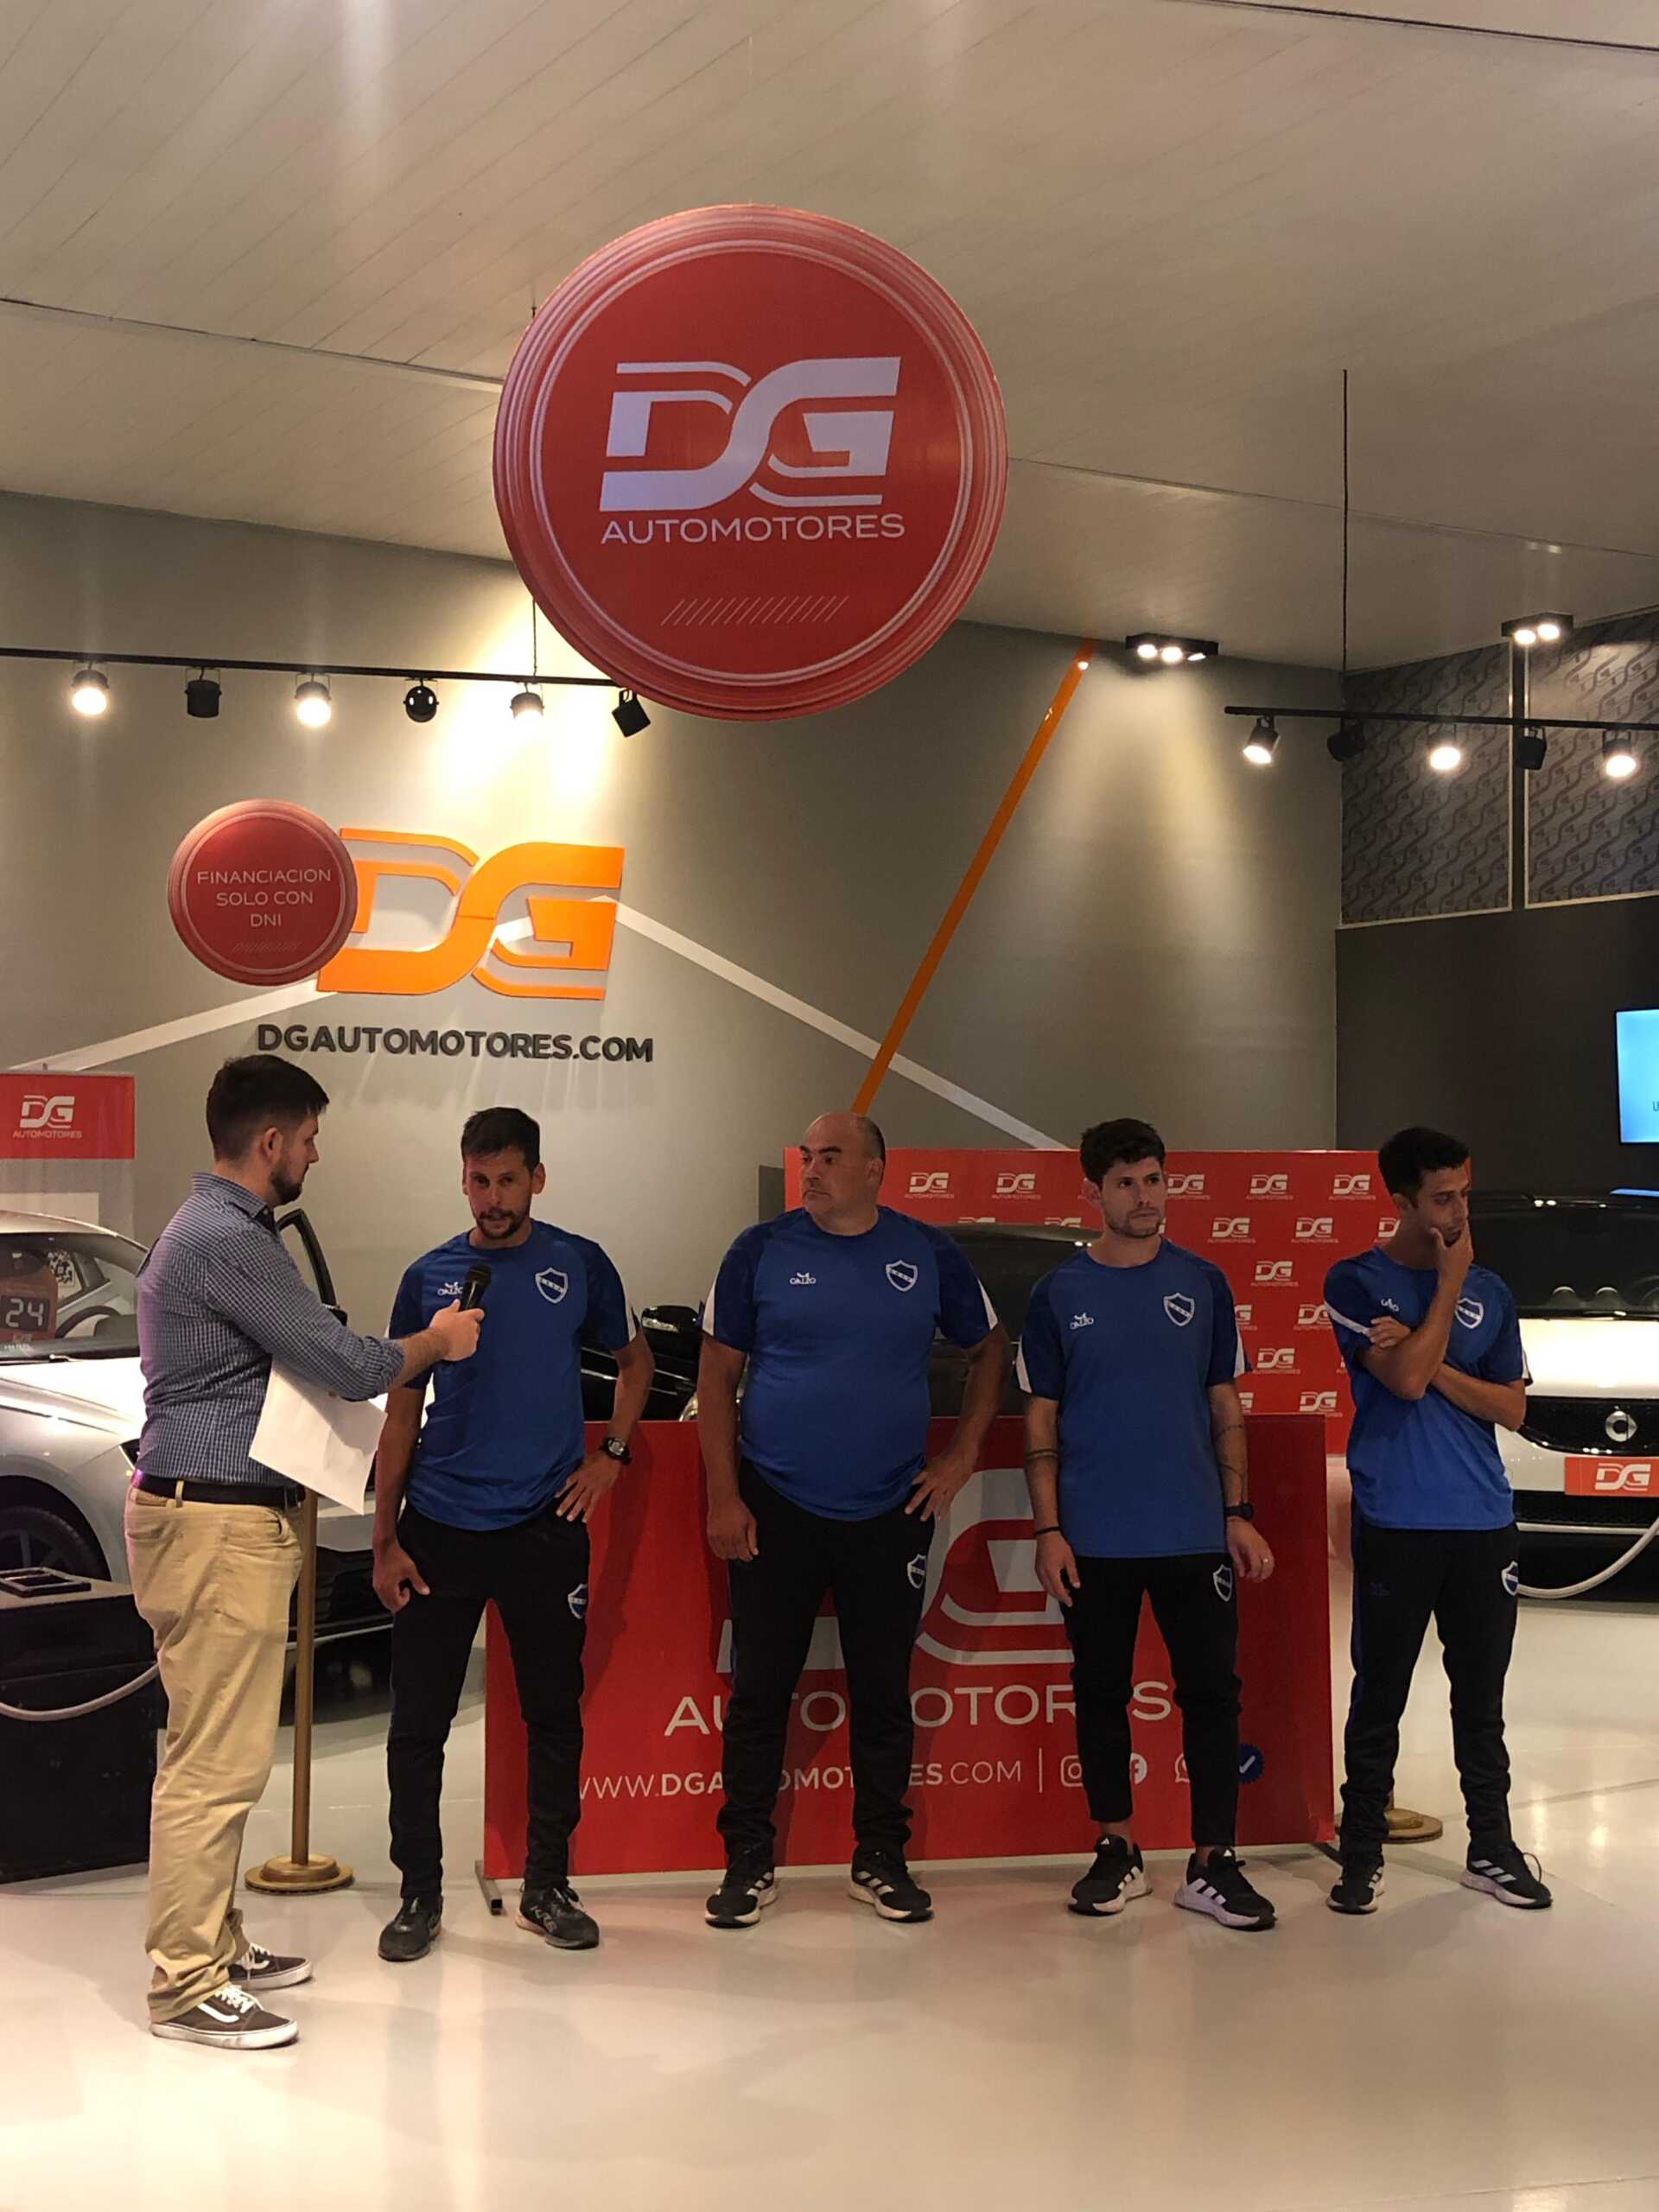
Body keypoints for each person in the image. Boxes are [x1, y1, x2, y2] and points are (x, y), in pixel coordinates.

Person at [129, 1054, 480, 2050]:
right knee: (215, 1764)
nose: (316, 1157)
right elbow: (341, 1360)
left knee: (218, 1753)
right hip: (217, 1525)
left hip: (219, 1520)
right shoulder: (224, 1239)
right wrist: (437, 1341)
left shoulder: (218, 1234)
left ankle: (213, 1940)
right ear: (272, 1140)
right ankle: (185, 1981)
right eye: (312, 1139)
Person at [698, 1111, 1008, 1929]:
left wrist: (962, 1457)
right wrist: (724, 1495)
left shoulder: (927, 1252)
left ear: (875, 1169)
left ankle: (880, 1857)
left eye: (831, 1156)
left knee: (883, 1692)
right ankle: (747, 1860)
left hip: (890, 1507)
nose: (812, 1169)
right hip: (775, 1505)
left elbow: (991, 1349)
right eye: (808, 1155)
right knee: (761, 1691)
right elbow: (716, 1373)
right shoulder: (758, 1250)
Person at [372, 1106, 654, 1961]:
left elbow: (635, 1363)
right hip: (439, 1529)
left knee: (553, 1714)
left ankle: (547, 1886)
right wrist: (384, 1539)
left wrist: (611, 1454)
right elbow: (400, 1413)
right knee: (418, 1724)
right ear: (462, 1178)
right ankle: (419, 1894)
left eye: (507, 1180)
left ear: (537, 1178)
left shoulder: (580, 1262)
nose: (493, 1198)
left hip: (543, 1527)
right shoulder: (427, 1276)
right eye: (478, 1180)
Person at [1020, 1117, 1278, 1933]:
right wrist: (1048, 1531)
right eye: (1126, 1183)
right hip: (1093, 1537)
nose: (1144, 1196)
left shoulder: (1203, 1282)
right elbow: (1040, 1418)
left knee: (1212, 1696)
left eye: (1154, 1179)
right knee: (1100, 1692)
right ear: (1092, 1192)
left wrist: (1237, 1513)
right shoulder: (1059, 1292)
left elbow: (1224, 1404)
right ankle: (1117, 1848)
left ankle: (1213, 1862)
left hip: (1194, 1532)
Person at [1323, 1126, 1547, 1914]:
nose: (1458, 1213)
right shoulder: (1356, 1281)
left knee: (1480, 1699)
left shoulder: (1495, 1292)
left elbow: (1512, 1408)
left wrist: (1429, 1350)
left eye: (1464, 1195)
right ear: (1401, 1201)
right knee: (1379, 1693)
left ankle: (1493, 1847)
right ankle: (1360, 1854)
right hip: (1398, 1516)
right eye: (1442, 1199)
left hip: (1483, 1519)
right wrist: (1446, 1288)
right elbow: (1406, 1385)